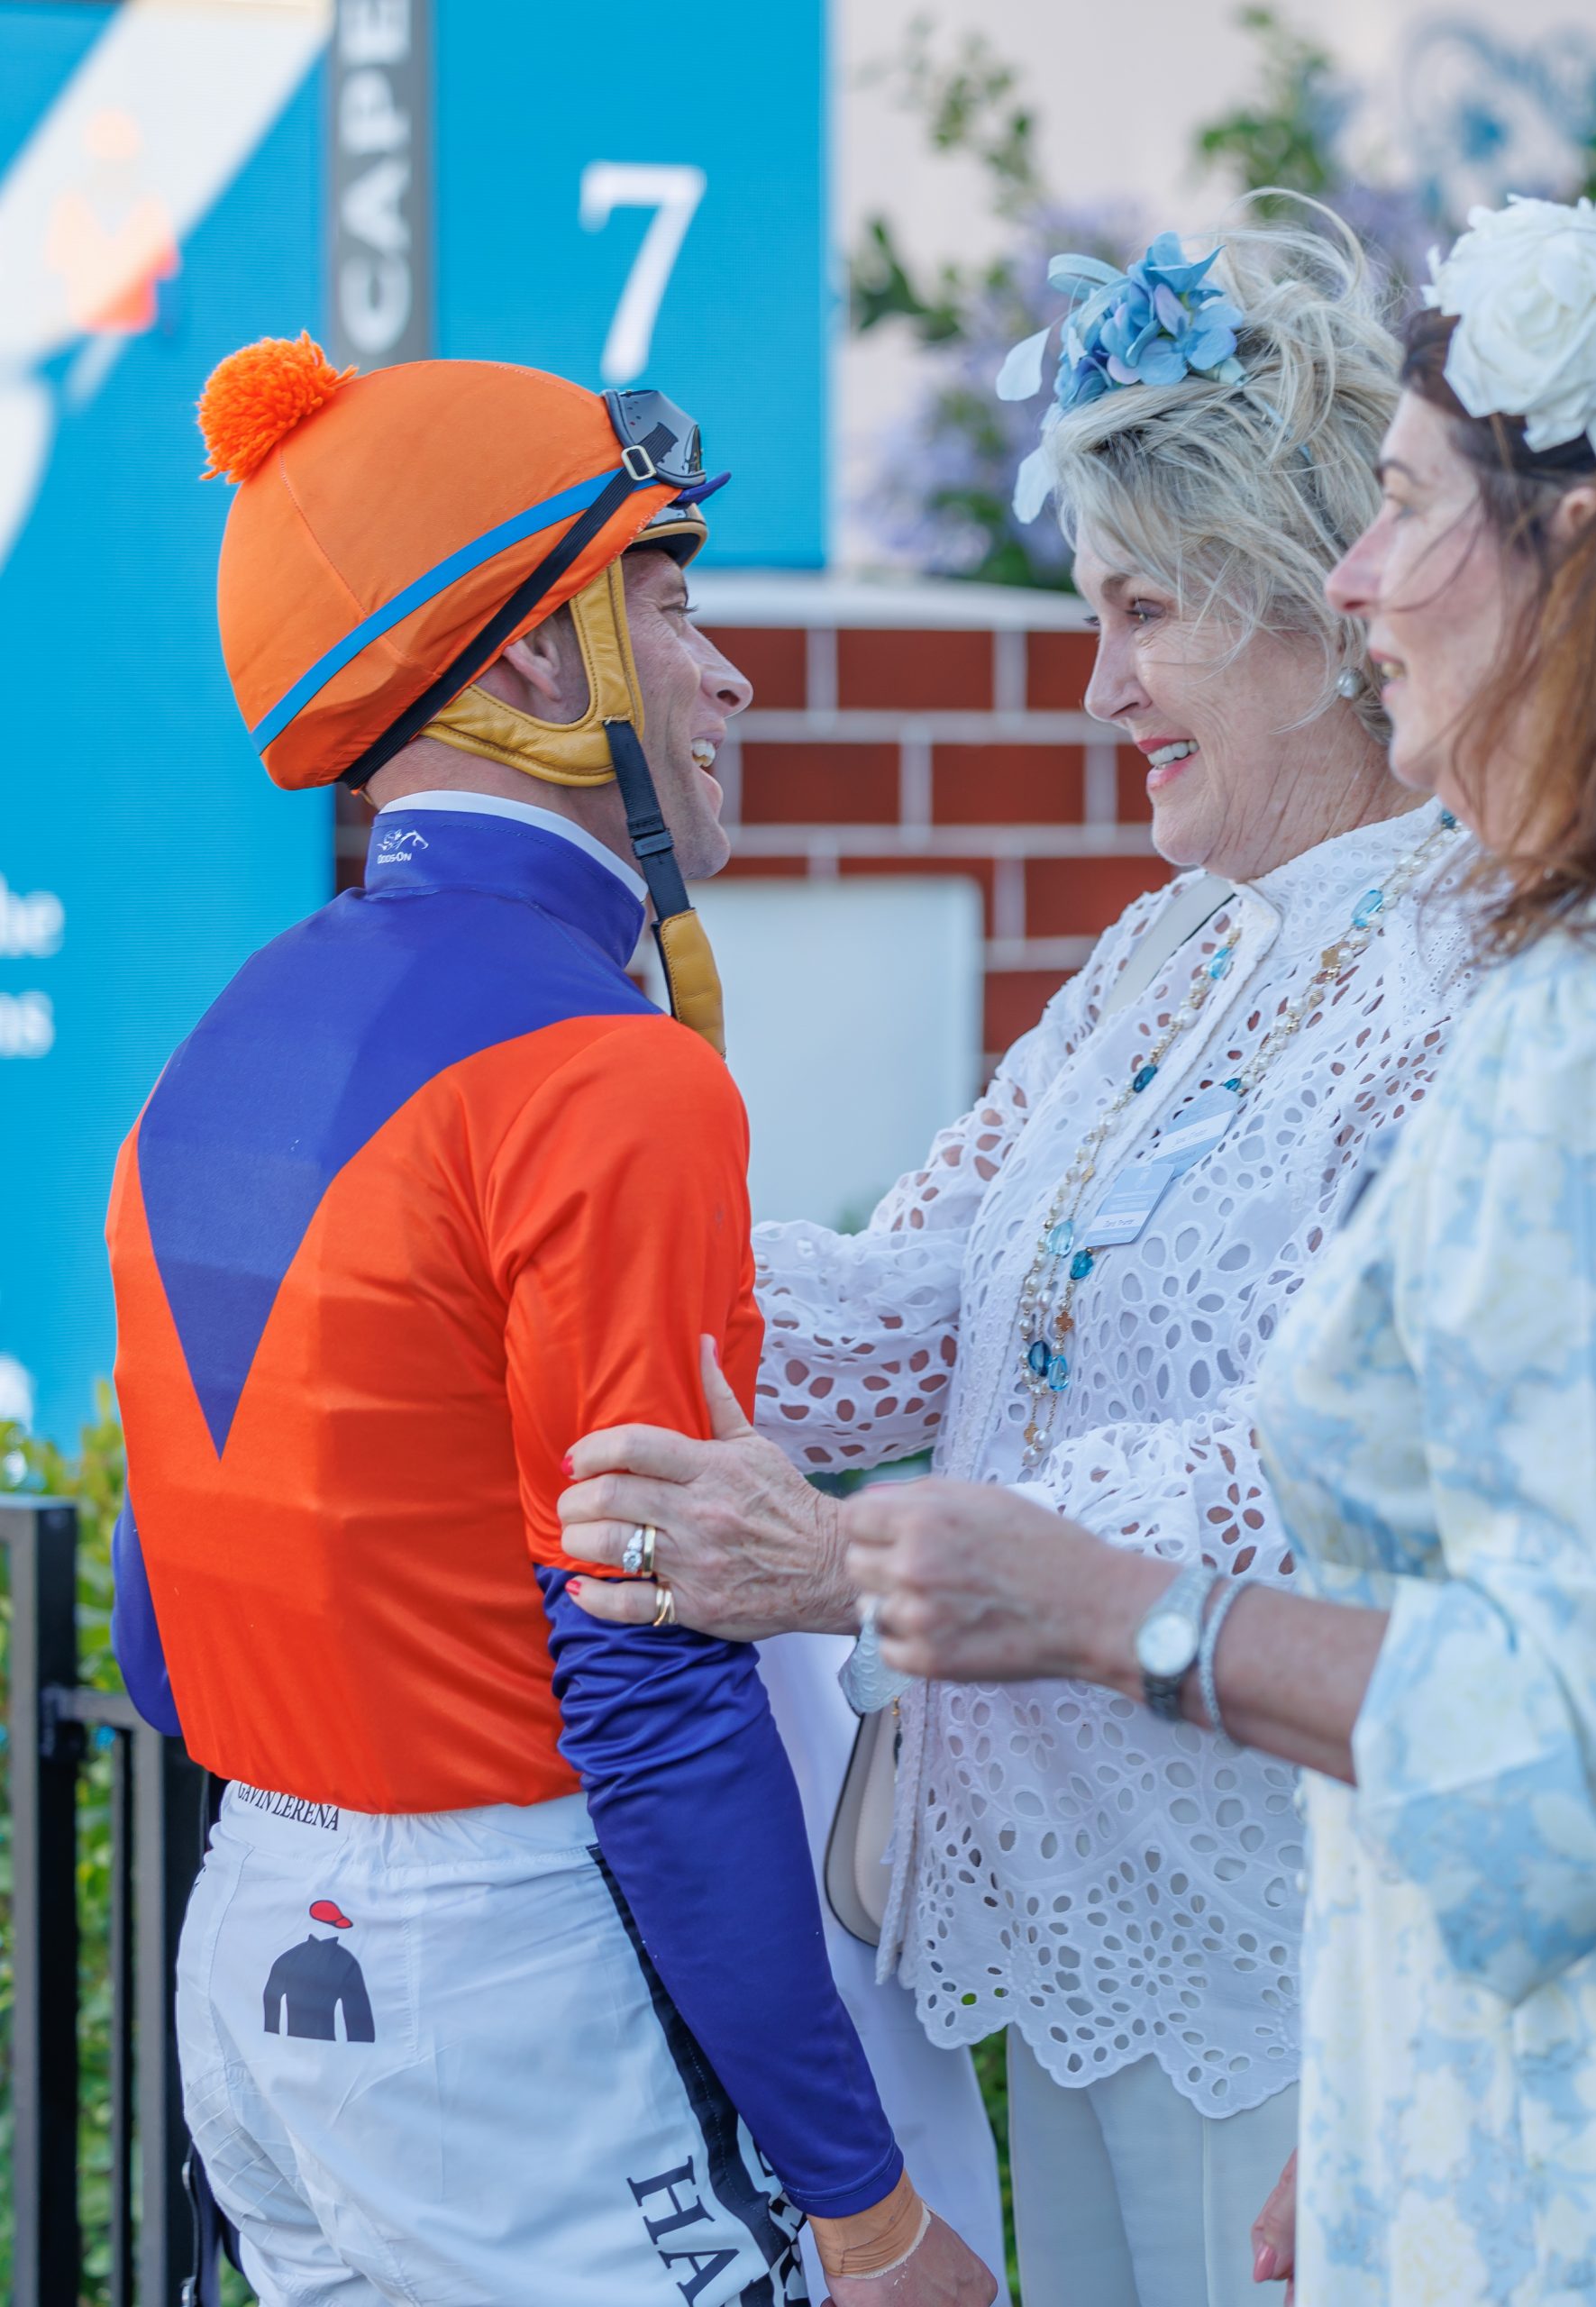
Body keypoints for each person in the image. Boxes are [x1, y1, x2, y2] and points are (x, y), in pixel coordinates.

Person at [816, 195, 1596, 2302]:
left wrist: (1118, 1610)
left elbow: (1587, 1742)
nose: (1348, 571)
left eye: (1399, 505)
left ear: (1565, 555)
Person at [557, 210, 1476, 2307]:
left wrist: (858, 1565)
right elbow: (916, 1303)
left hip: (1294, 1952)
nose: (1096, 688)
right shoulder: (1155, 953)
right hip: (1074, 1922)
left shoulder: (1463, 961)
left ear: (1319, 612)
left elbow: (1317, 1466)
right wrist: (555, 1204)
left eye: (1140, 613)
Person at [105, 334, 995, 2307]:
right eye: (669, 596)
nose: (727, 668)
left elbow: (161, 1637)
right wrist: (866, 2211)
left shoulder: (210, 1045)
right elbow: (657, 1698)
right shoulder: (614, 1078)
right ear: (528, 662)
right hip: (504, 1983)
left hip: (257, 1959)